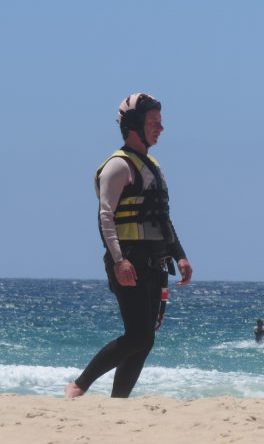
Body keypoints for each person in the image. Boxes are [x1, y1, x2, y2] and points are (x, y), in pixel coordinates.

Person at [64, 93, 193, 399]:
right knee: (138, 335)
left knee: (145, 339)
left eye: (160, 123)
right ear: (134, 125)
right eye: (153, 123)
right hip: (129, 262)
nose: (160, 129)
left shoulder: (153, 166)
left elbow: (163, 219)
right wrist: (119, 260)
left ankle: (118, 401)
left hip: (154, 262)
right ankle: (78, 386)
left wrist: (181, 256)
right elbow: (105, 216)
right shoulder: (118, 166)